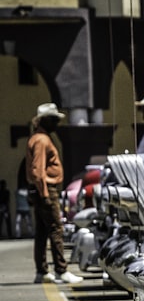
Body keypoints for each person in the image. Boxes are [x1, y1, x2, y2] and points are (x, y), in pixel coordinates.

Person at [25, 102, 82, 284]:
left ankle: (42, 272)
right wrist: (45, 195)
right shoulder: (42, 140)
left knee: (42, 231)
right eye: (54, 119)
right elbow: (37, 170)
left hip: (41, 189)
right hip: (46, 189)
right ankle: (61, 270)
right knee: (56, 229)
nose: (57, 123)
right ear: (45, 120)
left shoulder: (37, 138)